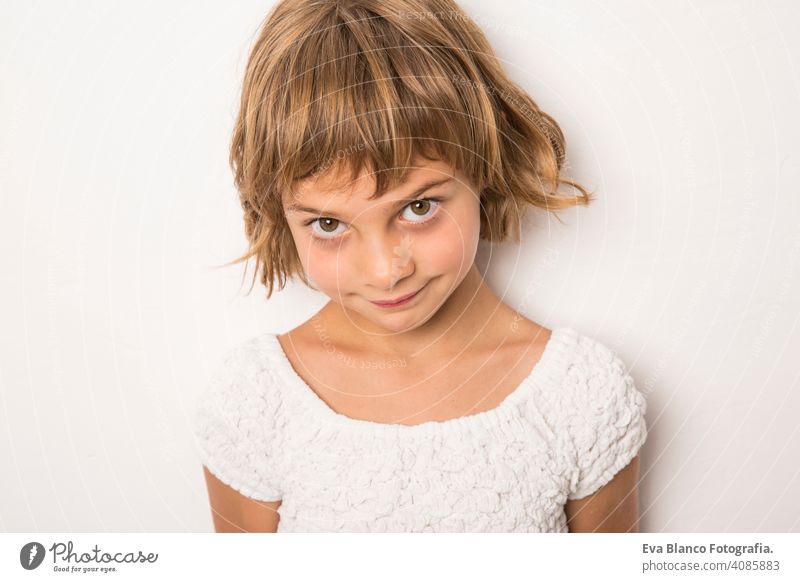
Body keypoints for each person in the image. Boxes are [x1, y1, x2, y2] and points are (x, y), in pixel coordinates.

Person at [192, 0, 648, 533]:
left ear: (484, 161)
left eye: (418, 208)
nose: (385, 271)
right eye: (329, 225)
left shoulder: (580, 397)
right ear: (279, 213)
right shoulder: (253, 404)